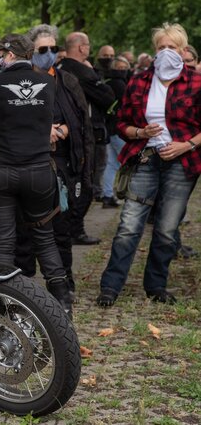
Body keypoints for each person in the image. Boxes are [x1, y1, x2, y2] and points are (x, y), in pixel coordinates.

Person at [96, 23, 201, 307]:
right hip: (146, 158)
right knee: (129, 225)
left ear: (182, 50)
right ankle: (110, 287)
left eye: (172, 47)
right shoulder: (140, 80)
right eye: (161, 47)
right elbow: (121, 123)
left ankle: (156, 286)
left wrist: (187, 144)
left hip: (182, 162)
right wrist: (140, 133)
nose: (166, 52)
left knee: (167, 229)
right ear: (155, 50)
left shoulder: (195, 82)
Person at [0, 33, 73, 318]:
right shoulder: (48, 82)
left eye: (0, 53)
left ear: (8, 54)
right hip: (38, 169)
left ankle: (0, 306)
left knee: (3, 241)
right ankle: (63, 301)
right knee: (45, 236)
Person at [15, 24, 94, 296]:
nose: (49, 54)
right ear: (30, 52)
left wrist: (61, 130)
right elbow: (6, 122)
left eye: (53, 48)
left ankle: (63, 286)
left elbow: (80, 121)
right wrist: (42, 131)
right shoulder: (18, 82)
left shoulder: (67, 81)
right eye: (42, 49)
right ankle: (22, 289)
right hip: (25, 165)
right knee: (24, 232)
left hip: (61, 167)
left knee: (61, 230)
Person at [57, 32, 115, 245]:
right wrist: (94, 75)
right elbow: (108, 96)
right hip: (87, 135)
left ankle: (69, 228)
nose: (89, 48)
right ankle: (75, 230)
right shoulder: (83, 72)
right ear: (81, 48)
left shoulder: (58, 70)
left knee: (71, 183)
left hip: (64, 134)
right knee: (87, 183)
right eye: (88, 44)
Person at [100, 56, 130, 208]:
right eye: (120, 68)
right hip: (119, 130)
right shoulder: (121, 85)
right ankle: (130, 196)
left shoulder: (105, 83)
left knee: (111, 164)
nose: (122, 71)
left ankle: (107, 196)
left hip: (108, 129)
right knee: (132, 162)